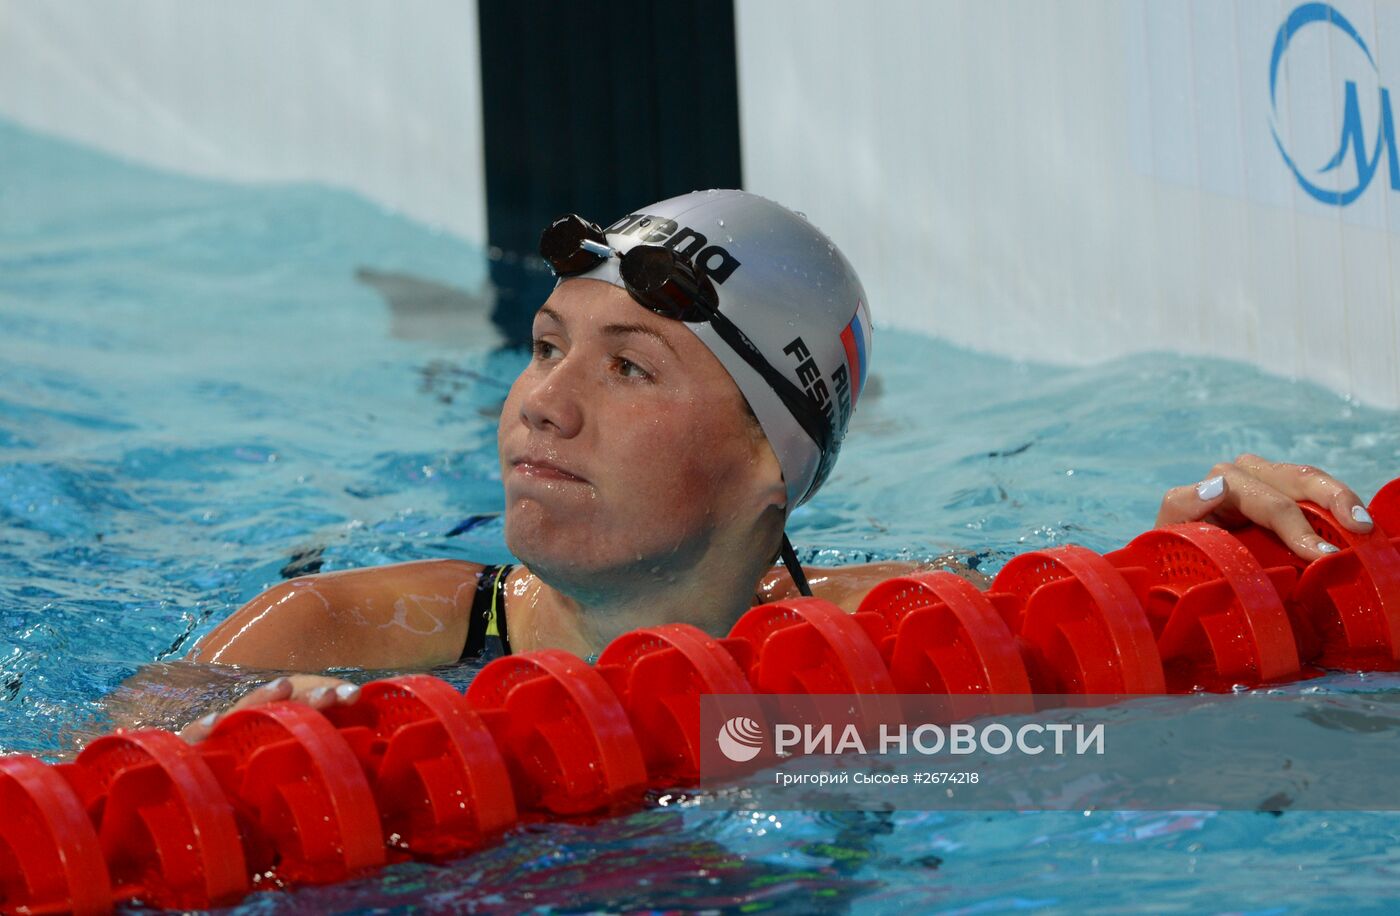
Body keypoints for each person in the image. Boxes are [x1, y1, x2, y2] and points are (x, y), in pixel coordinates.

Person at [175, 190, 1378, 740]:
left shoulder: (900, 631)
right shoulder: (322, 631)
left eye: (628, 368)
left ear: (772, 462)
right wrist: (235, 737)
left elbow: (1090, 628)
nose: (542, 403)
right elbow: (89, 774)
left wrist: (1193, 556)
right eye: (545, 349)